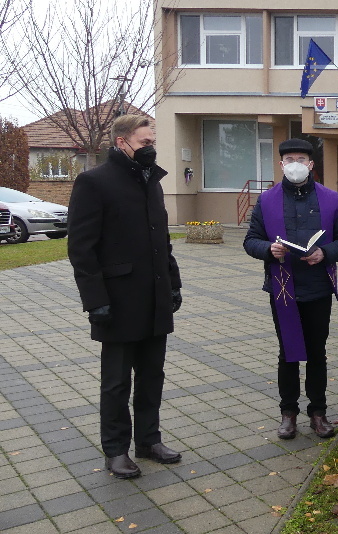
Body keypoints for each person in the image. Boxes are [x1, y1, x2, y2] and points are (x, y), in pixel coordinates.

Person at [67, 114, 183, 479]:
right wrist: (94, 300)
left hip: (154, 298)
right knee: (116, 383)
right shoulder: (94, 182)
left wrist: (173, 283)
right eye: (145, 142)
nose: (151, 148)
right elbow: (81, 248)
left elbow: (161, 239)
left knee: (152, 376)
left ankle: (149, 441)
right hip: (117, 301)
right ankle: (116, 450)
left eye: (152, 143)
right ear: (122, 142)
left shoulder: (152, 181)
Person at [244, 138, 338, 440]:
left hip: (318, 288)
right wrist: (268, 250)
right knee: (289, 352)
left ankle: (318, 413)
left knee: (317, 352)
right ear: (281, 164)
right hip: (283, 289)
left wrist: (325, 253)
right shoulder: (266, 201)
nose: (295, 164)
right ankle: (288, 413)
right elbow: (251, 240)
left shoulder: (330, 199)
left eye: (301, 159)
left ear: (311, 164)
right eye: (289, 159)